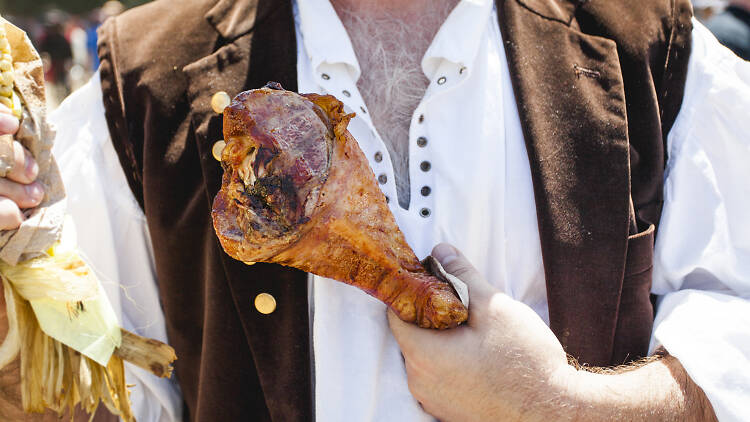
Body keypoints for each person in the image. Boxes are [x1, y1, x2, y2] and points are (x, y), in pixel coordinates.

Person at [2, 0, 750, 420]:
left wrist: (553, 406)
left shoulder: (651, 45)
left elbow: (734, 344)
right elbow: (95, 399)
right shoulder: (139, 84)